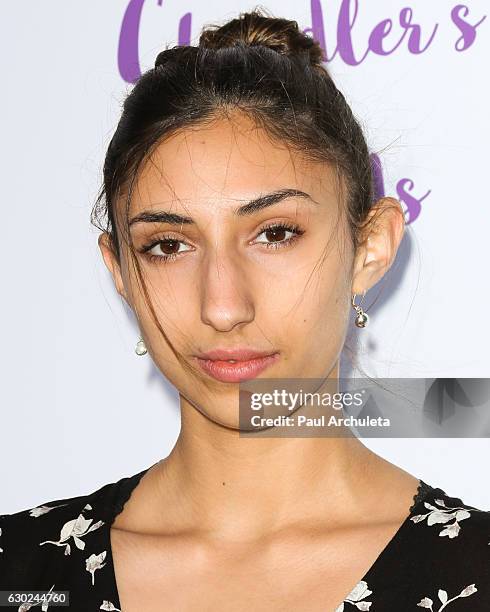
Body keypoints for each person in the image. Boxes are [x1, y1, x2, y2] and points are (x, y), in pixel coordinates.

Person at [1, 8, 489, 612]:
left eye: (275, 234)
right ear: (121, 270)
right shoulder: (17, 572)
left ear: (370, 247)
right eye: (169, 245)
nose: (223, 307)